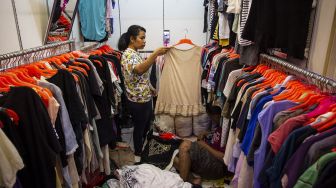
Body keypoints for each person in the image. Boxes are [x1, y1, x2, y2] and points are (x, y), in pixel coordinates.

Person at [118, 25, 170, 157]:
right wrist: (155, 53)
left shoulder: (135, 53)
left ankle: (142, 148)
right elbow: (139, 69)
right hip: (138, 100)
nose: (144, 40)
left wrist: (150, 88)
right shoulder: (128, 54)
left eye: (144, 38)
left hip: (143, 97)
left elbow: (140, 77)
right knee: (140, 128)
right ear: (132, 38)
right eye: (142, 38)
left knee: (145, 125)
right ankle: (138, 153)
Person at [173, 106, 227, 184]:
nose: (211, 119)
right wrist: (207, 133)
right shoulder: (219, 126)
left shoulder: (227, 131)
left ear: (218, 115)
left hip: (218, 166)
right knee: (175, 156)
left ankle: (182, 185)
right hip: (208, 157)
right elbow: (215, 137)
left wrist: (205, 145)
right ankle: (193, 179)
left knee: (185, 146)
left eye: (212, 116)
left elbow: (224, 158)